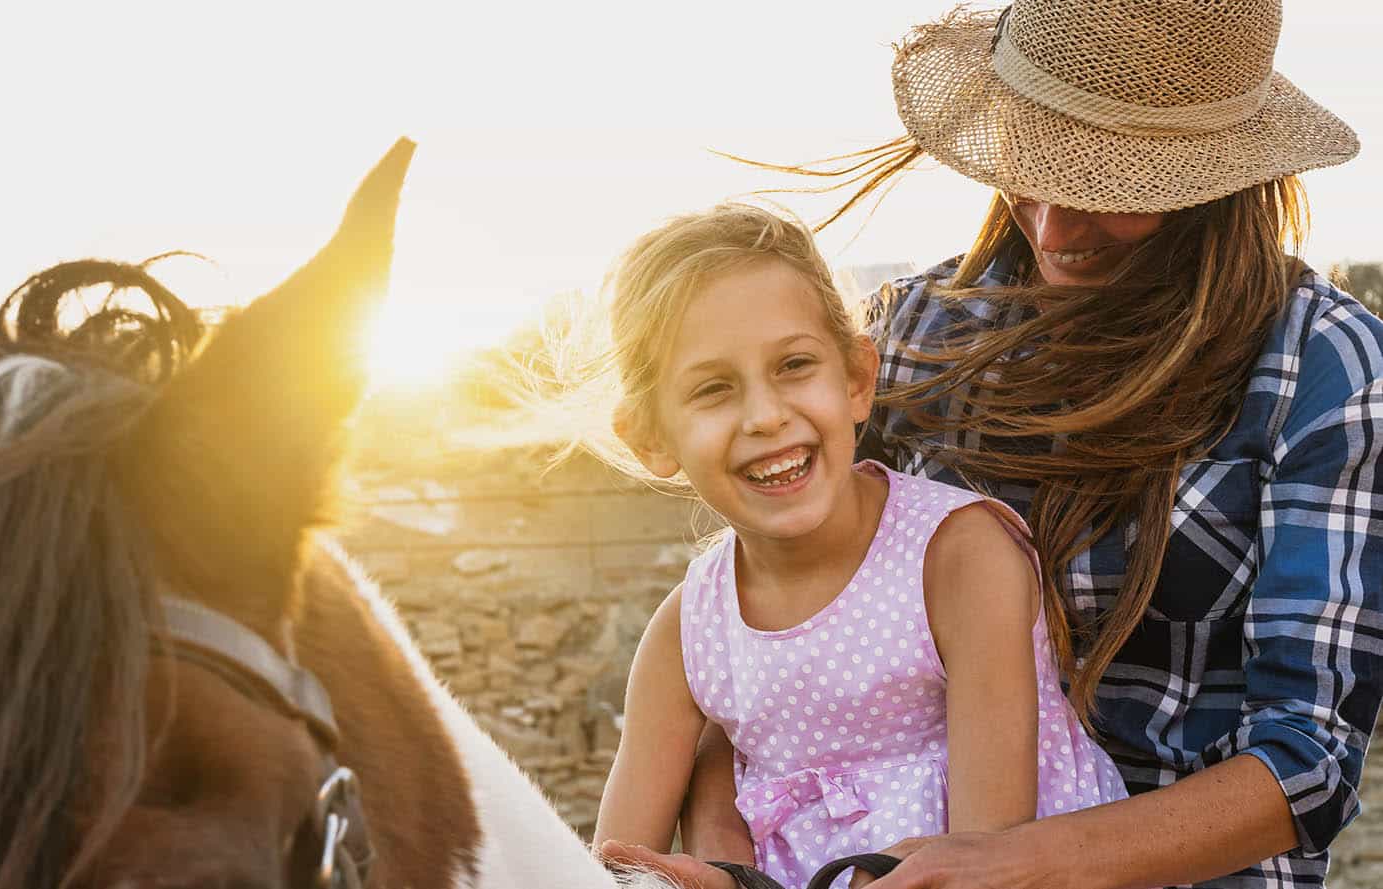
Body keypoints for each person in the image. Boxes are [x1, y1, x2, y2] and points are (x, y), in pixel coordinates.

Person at [600, 2, 1383, 888]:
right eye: (1034, 160)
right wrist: (726, 846)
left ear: (1220, 177)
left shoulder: (1322, 367)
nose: (1049, 228)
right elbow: (781, 647)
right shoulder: (916, 333)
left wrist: (1002, 865)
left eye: (1113, 187)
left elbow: (1305, 765)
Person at [583, 204, 1127, 889]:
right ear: (651, 438)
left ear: (857, 380)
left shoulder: (958, 556)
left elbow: (988, 854)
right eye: (713, 389)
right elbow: (615, 867)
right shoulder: (686, 635)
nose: (766, 415)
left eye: (793, 364)